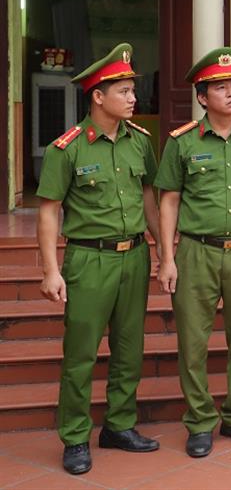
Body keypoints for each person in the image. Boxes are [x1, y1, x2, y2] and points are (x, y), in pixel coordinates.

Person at [36, 44, 161, 475]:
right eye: (124, 91)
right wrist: (51, 269)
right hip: (89, 260)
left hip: (135, 256)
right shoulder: (66, 149)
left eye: (132, 90)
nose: (132, 98)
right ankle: (74, 436)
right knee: (81, 353)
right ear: (98, 96)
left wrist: (163, 247)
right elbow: (49, 210)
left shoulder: (140, 143)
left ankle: (119, 425)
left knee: (130, 347)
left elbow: (148, 195)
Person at [155, 47, 231, 458]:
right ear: (202, 96)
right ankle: (199, 422)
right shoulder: (182, 142)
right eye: (221, 88)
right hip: (196, 252)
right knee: (193, 342)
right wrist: (167, 256)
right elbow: (169, 199)